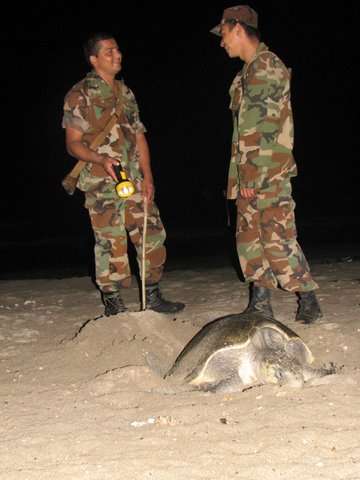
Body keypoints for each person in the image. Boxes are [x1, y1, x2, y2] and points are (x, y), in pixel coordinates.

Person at [211, 6, 322, 323]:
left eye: (223, 34)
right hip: (249, 171)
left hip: (266, 170)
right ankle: (260, 302)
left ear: (237, 28)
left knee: (276, 236)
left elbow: (262, 128)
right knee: (249, 238)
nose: (222, 43)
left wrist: (251, 174)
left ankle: (308, 297)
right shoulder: (246, 72)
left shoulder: (266, 67)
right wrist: (240, 176)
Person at [62, 32, 185, 316]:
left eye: (117, 49)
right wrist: (100, 158)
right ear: (94, 59)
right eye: (108, 51)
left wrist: (149, 176)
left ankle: (152, 294)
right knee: (110, 241)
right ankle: (113, 301)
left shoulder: (125, 93)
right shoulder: (79, 94)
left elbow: (139, 136)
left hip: (134, 178)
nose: (117, 55)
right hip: (100, 181)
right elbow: (73, 144)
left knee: (151, 233)